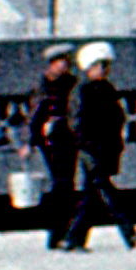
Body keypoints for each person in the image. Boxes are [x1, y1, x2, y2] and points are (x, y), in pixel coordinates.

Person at [57, 41, 136, 250]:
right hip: (91, 149)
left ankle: (73, 239)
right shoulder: (82, 90)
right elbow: (76, 121)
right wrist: (87, 144)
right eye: (100, 66)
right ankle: (128, 229)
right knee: (105, 189)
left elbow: (116, 117)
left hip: (104, 148)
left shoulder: (106, 89)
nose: (104, 70)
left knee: (90, 196)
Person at [22, 48, 80, 250]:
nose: (64, 66)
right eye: (60, 62)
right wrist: (28, 142)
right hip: (50, 139)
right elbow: (34, 114)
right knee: (61, 184)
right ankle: (57, 233)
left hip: (68, 136)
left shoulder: (71, 83)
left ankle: (62, 232)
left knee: (66, 184)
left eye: (66, 62)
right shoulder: (43, 85)